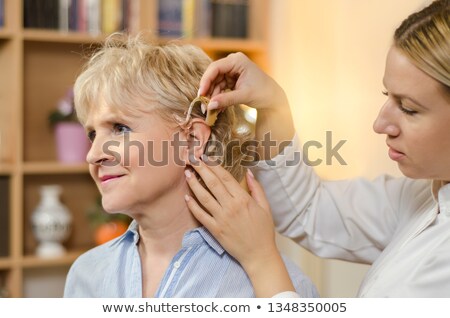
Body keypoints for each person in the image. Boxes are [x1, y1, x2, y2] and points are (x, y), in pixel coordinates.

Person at [184, 0, 450, 297]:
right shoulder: (424, 198)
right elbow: (309, 208)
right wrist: (273, 105)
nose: (380, 123)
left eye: (409, 108)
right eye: (387, 96)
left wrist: (260, 259)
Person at [63, 32, 318, 298]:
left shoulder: (280, 288)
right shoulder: (86, 276)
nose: (93, 155)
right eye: (92, 134)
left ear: (193, 139)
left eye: (120, 128)